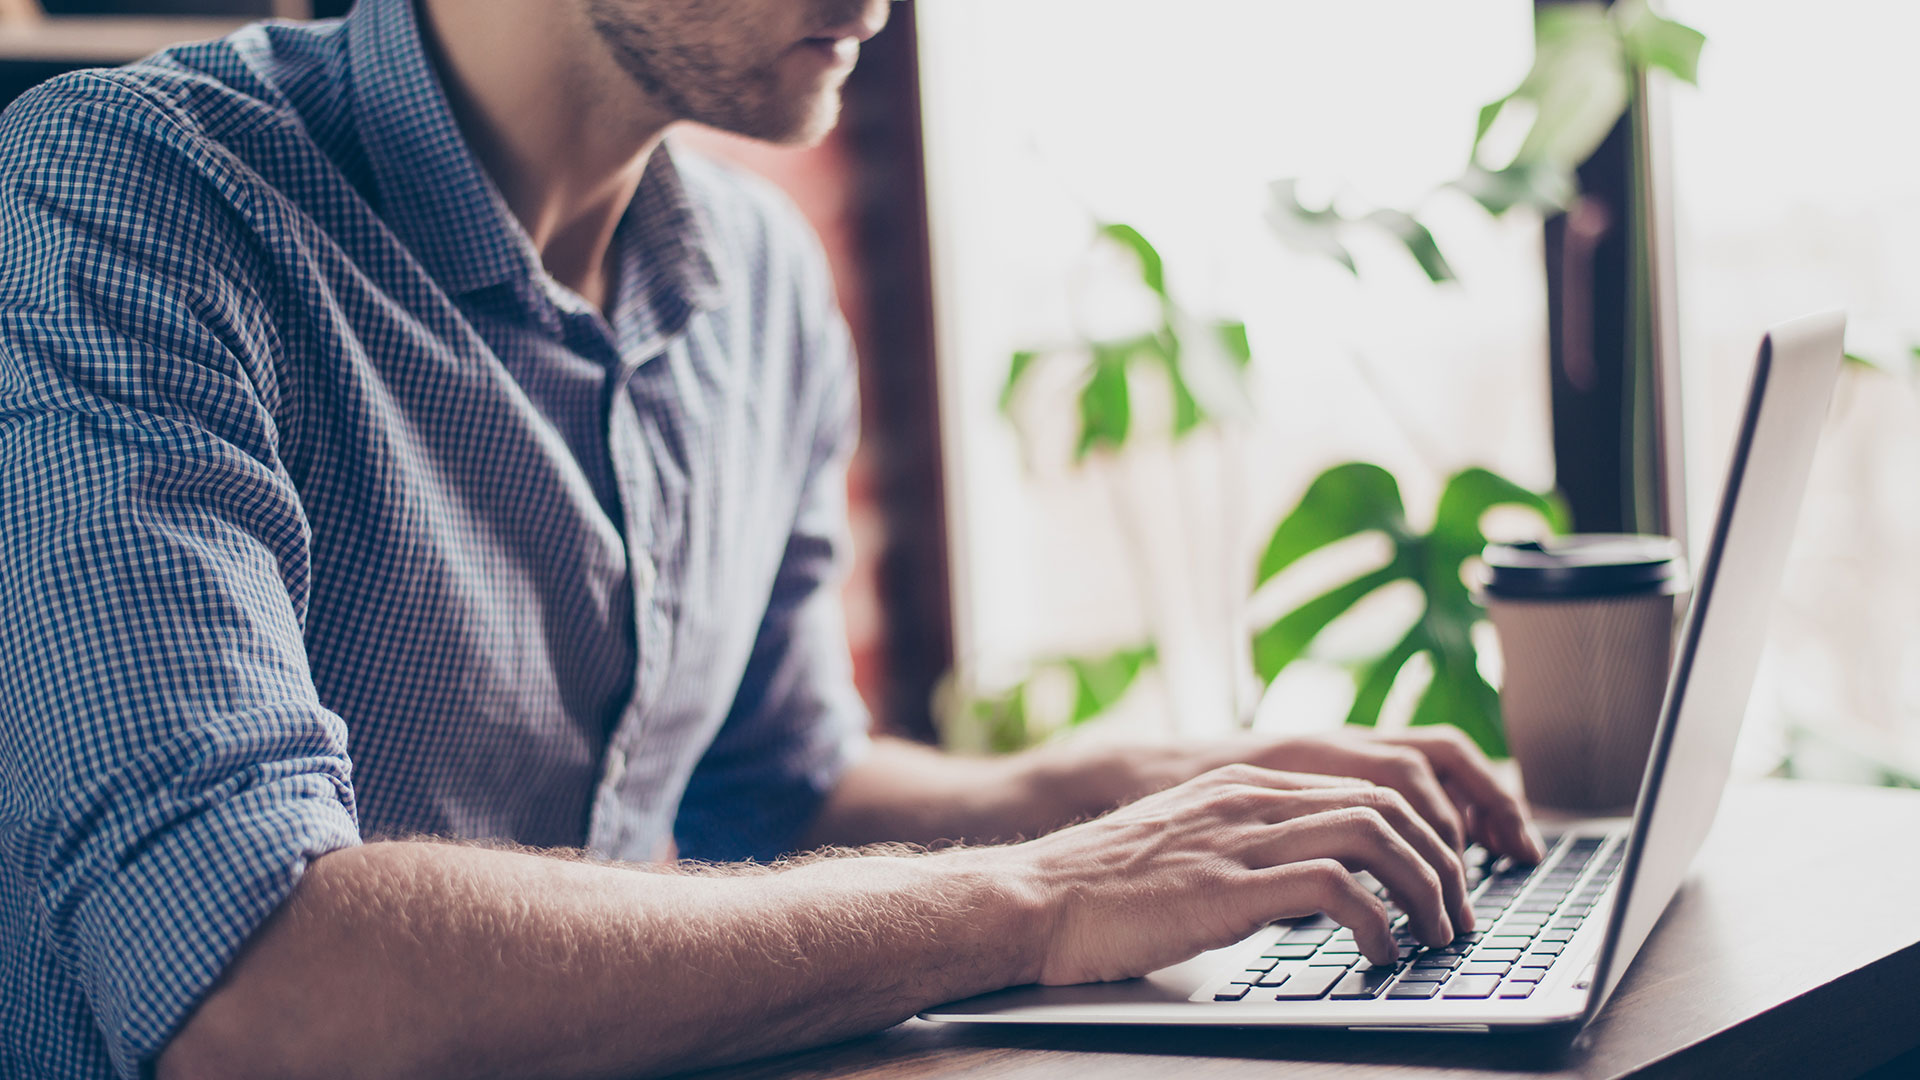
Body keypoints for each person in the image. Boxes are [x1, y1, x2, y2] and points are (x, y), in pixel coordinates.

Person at [0, 1, 1545, 1077]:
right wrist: (1040, 896)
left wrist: (1145, 797)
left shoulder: (760, 278)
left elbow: (779, 790)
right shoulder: (127, 201)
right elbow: (256, 991)